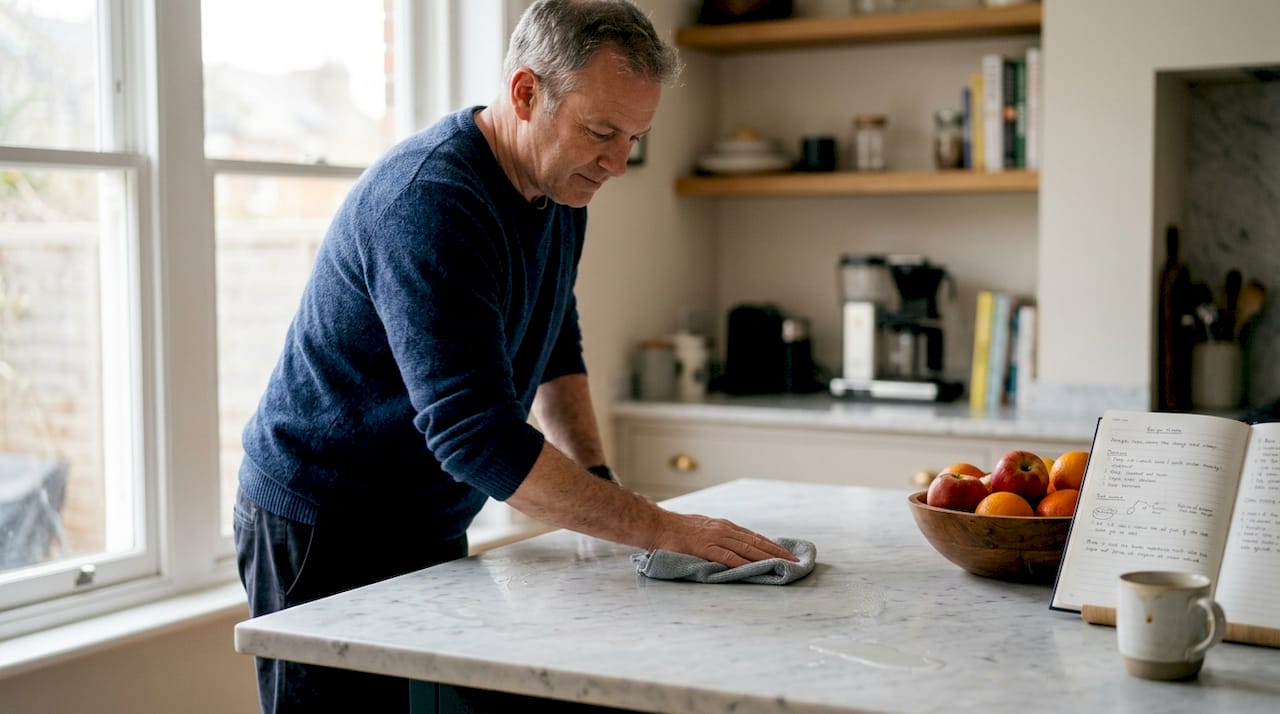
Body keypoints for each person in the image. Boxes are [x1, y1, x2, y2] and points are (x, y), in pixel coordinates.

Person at [233, 1, 797, 711]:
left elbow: (554, 339)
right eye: (601, 132)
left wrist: (598, 481)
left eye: (633, 138)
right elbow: (474, 436)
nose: (618, 163)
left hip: (430, 517)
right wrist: (659, 525)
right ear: (527, 93)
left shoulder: (560, 188)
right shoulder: (431, 201)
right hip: (323, 524)